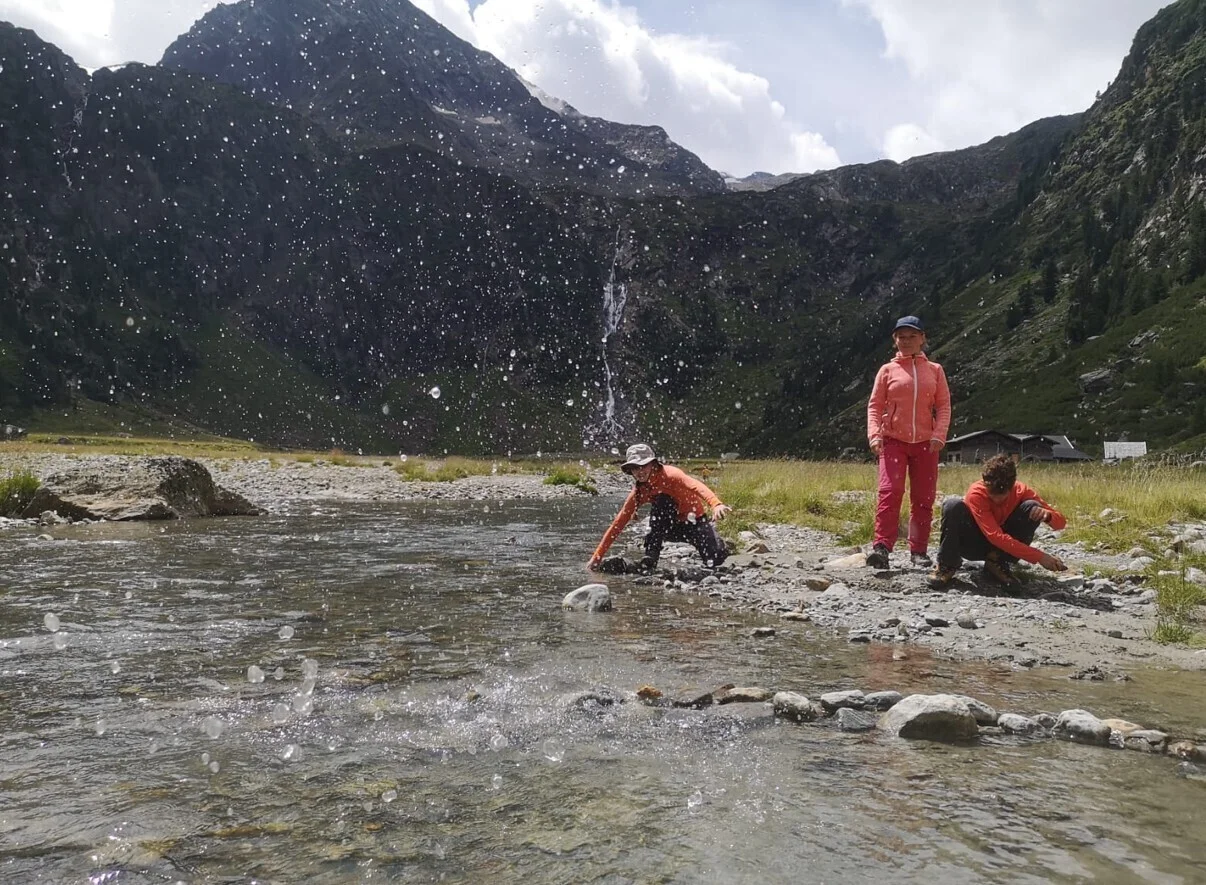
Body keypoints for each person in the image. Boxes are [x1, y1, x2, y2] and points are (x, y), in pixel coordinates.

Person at [865, 315, 951, 569]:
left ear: (922, 338)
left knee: (923, 498)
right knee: (890, 492)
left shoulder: (935, 370)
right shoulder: (887, 371)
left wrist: (939, 434)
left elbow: (944, 406)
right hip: (893, 441)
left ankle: (919, 551)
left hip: (927, 443)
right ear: (895, 340)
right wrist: (874, 434)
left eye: (912, 336)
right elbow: (874, 406)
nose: (906, 341)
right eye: (901, 337)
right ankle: (881, 547)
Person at [588, 444, 731, 573]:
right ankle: (651, 558)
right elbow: (618, 524)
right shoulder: (639, 492)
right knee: (662, 502)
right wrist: (597, 557)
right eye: (634, 468)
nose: (639, 471)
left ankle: (719, 545)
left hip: (695, 523)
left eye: (642, 466)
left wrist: (716, 504)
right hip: (669, 528)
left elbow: (696, 485)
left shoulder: (671, 474)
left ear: (653, 464)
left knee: (716, 562)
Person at [929, 453, 1068, 588]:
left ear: (1012, 486)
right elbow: (995, 536)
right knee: (952, 505)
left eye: (1002, 496)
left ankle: (997, 563)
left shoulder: (1021, 490)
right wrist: (1039, 557)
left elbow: (1061, 523)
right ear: (985, 483)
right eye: (992, 494)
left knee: (1033, 507)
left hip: (1003, 548)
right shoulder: (976, 493)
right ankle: (947, 564)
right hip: (974, 544)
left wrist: (1048, 515)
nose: (996, 500)